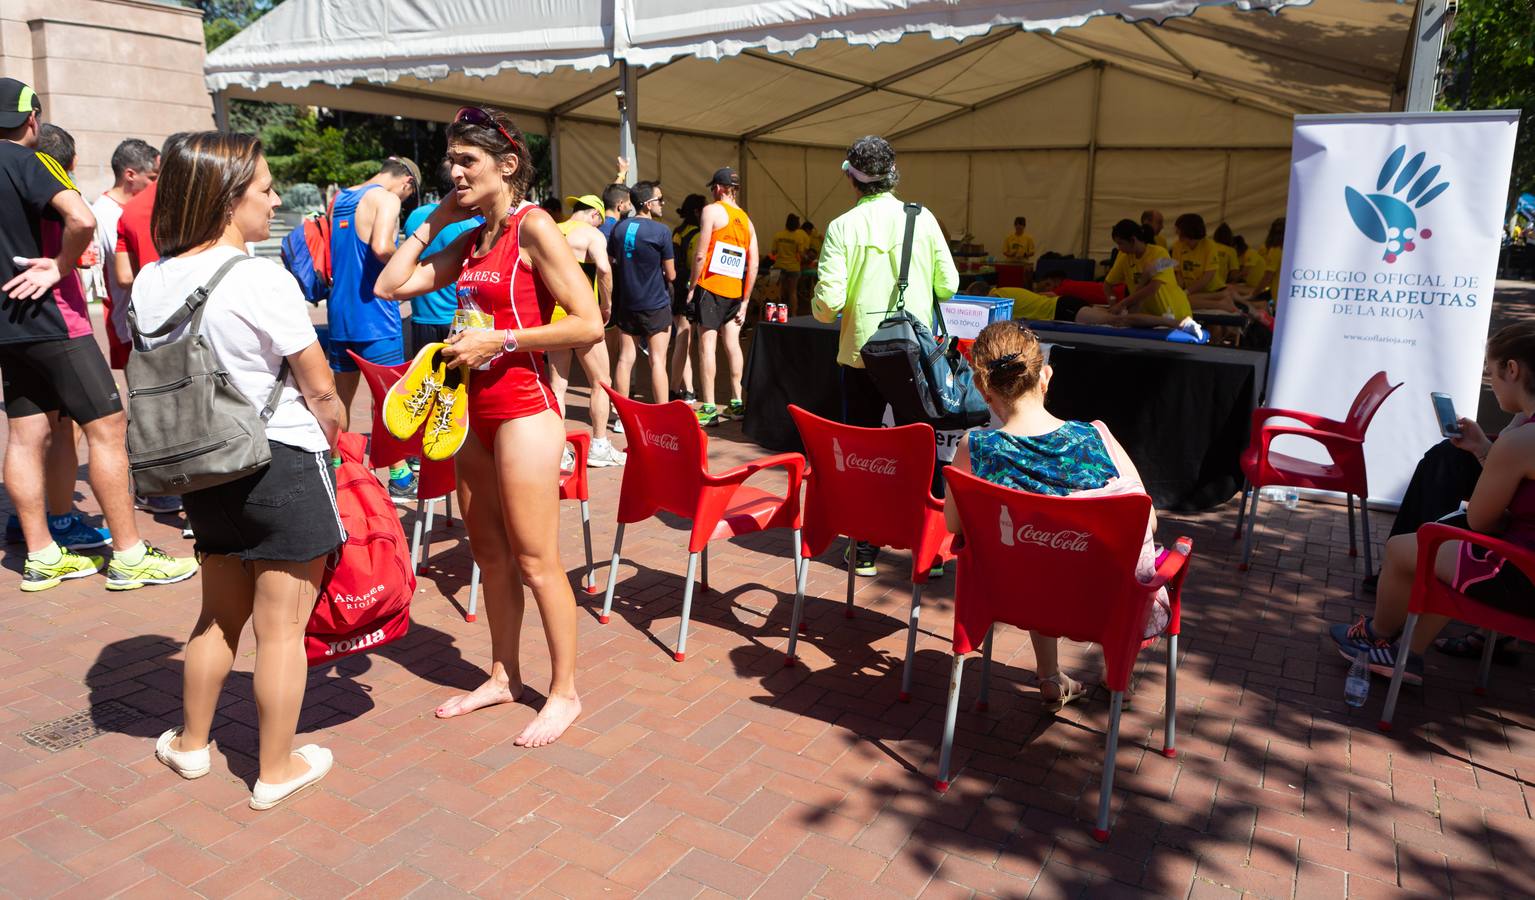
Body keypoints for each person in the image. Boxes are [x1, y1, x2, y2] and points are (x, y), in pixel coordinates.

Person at [376, 105, 602, 745]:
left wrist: (500, 340)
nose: (453, 171)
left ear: (507, 166)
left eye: (466, 161)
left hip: (526, 412)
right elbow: (392, 287)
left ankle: (564, 692)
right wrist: (436, 223)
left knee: (536, 560)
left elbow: (587, 323)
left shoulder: (536, 228)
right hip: (471, 414)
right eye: (449, 160)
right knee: (491, 555)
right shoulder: (472, 237)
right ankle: (503, 675)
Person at [134, 131, 345, 808]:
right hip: (276, 456)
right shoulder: (258, 277)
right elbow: (317, 389)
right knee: (280, 630)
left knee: (217, 616)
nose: (275, 200)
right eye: (264, 189)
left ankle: (192, 744)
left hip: (200, 465)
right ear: (228, 200)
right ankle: (275, 769)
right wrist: (338, 438)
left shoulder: (152, 278)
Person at [0, 80, 197, 593]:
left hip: (8, 324)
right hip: (52, 318)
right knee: (108, 428)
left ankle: (42, 554)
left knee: (24, 435)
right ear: (33, 121)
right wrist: (60, 265)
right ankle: (130, 557)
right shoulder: (29, 160)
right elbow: (82, 218)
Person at [944, 320, 1167, 708]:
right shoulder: (1095, 437)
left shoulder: (975, 448)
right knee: (1101, 554)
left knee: (1032, 550)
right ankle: (1117, 678)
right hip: (1099, 601)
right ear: (1045, 376)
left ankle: (1050, 676)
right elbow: (1144, 519)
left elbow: (952, 525)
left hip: (1016, 595)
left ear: (983, 389)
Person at [1331, 323, 1535, 684]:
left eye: (1493, 373)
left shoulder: (1521, 440)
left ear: (1514, 370)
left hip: (1522, 574)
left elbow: (1481, 520)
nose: (1492, 383)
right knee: (1445, 546)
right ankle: (1400, 650)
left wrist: (1504, 441)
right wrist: (1484, 449)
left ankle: (1380, 639)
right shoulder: (1520, 436)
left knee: (1407, 547)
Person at [812, 135, 958, 575]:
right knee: (923, 450)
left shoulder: (842, 226)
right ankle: (929, 548)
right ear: (892, 176)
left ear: (851, 180)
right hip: (915, 355)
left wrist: (824, 302)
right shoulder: (922, 217)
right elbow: (948, 285)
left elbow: (827, 305)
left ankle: (865, 547)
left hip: (861, 355)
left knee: (863, 453)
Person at [326, 156, 421, 499]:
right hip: (376, 315)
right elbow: (382, 247)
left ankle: (337, 471)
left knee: (339, 397)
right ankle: (398, 474)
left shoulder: (340, 198)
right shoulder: (387, 198)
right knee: (388, 398)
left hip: (340, 313)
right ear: (407, 182)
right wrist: (410, 258)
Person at [548, 194, 624, 468]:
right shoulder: (591, 234)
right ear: (595, 215)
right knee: (601, 381)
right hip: (582, 315)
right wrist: (607, 304)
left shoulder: (553, 230)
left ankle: (556, 450)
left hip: (554, 315)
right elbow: (603, 269)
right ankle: (600, 445)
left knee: (558, 385)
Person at [690, 167, 758, 427]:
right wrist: (745, 300)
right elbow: (753, 263)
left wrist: (692, 286)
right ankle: (737, 402)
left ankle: (708, 407)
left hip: (710, 287)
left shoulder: (711, 211)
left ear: (718, 188)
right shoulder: (746, 219)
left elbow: (700, 253)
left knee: (706, 346)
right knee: (732, 345)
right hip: (734, 291)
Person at [401, 161, 483, 355]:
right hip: (458, 318)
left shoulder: (415, 216)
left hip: (422, 316)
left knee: (425, 381)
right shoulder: (472, 224)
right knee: (458, 383)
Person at [92, 138, 159, 370]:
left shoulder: (137, 209)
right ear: (130, 175)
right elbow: (127, 274)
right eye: (152, 177)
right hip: (127, 322)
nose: (156, 184)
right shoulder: (105, 213)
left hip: (146, 318)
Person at [608, 180, 675, 406]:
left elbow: (611, 262)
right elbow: (672, 274)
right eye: (659, 200)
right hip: (655, 303)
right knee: (657, 361)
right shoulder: (662, 231)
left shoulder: (619, 228)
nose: (663, 204)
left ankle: (620, 415)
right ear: (647, 204)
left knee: (625, 359)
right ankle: (663, 412)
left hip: (627, 303)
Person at [1102, 219, 1198, 329]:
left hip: (1174, 313)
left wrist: (1122, 304)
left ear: (1133, 240)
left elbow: (1153, 287)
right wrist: (1113, 303)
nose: (1119, 248)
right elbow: (1107, 284)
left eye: (1121, 243)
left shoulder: (1160, 253)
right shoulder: (1123, 256)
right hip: (1147, 317)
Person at [668, 193, 706, 404]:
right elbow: (697, 263)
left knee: (684, 340)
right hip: (689, 290)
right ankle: (674, 389)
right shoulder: (699, 234)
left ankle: (689, 389)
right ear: (697, 211)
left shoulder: (678, 232)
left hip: (675, 289)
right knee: (683, 341)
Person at [1170, 213, 1240, 313]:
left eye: (1179, 232)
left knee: (1185, 300)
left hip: (1212, 290)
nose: (1177, 234)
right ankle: (1222, 300)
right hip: (1194, 291)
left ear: (1189, 232)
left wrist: (1186, 292)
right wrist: (1180, 290)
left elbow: (1207, 277)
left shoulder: (1209, 246)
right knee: (1181, 299)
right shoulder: (1177, 246)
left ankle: (1222, 300)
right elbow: (1179, 273)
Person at [770, 213, 808, 317]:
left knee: (779, 292)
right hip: (793, 268)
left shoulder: (778, 235)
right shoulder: (798, 237)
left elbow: (773, 252)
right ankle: (794, 314)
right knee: (793, 292)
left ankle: (778, 313)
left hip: (780, 267)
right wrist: (807, 258)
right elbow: (800, 253)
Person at [1002, 216, 1036, 283]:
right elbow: (1004, 251)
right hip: (1010, 263)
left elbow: (1032, 252)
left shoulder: (1028, 238)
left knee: (1021, 282)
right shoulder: (1009, 238)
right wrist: (1010, 254)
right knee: (1011, 281)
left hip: (1023, 264)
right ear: (1014, 226)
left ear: (1024, 226)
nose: (1018, 226)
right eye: (1016, 224)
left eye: (1020, 224)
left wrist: (1025, 254)